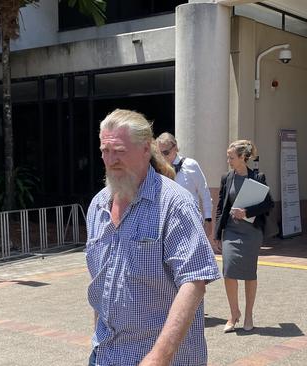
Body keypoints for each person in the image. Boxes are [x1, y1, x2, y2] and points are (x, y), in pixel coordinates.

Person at [86, 109, 221, 365]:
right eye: (105, 151)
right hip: (105, 354)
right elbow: (102, 283)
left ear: (146, 149)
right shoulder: (98, 206)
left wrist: (159, 357)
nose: (110, 159)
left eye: (119, 151)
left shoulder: (174, 204)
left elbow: (194, 283)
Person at [212, 139, 273, 333]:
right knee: (228, 271)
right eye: (228, 157)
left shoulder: (258, 177)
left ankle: (248, 315)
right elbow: (221, 207)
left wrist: (246, 212)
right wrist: (216, 234)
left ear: (242, 158)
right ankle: (234, 313)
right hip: (231, 230)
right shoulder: (226, 178)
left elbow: (268, 204)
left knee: (249, 273)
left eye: (231, 157)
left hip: (251, 233)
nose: (228, 160)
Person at [156, 132, 214, 236]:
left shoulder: (191, 165)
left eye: (166, 152)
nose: (163, 157)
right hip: (167, 221)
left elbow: (204, 193)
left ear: (175, 148)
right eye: (160, 153)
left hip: (190, 220)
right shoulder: (158, 169)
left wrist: (208, 219)